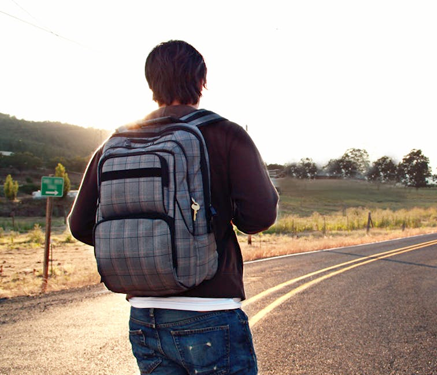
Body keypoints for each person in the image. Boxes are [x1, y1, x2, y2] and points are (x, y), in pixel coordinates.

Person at [68, 40, 279, 375]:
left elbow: (80, 225)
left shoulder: (117, 141)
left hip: (143, 315)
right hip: (210, 310)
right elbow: (260, 216)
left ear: (151, 84)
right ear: (201, 81)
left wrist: (143, 244)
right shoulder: (225, 133)